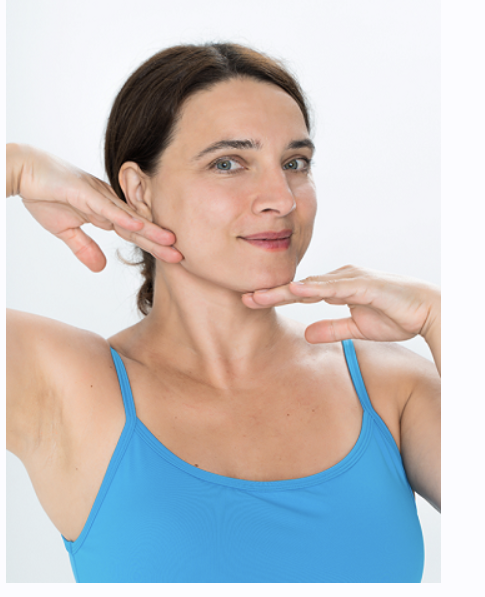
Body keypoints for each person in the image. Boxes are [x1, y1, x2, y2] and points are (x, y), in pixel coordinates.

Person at [6, 42, 440, 583]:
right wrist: (16, 166)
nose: (281, 198)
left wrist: (443, 320)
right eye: (228, 163)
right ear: (138, 191)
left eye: (295, 163)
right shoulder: (64, 384)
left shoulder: (388, 388)